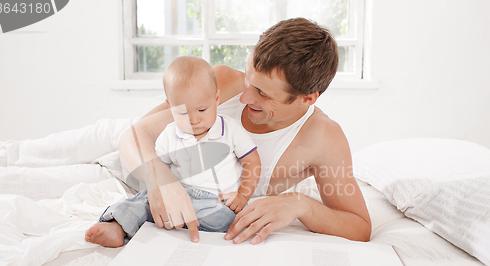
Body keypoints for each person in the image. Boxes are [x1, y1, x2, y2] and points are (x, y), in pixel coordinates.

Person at [117, 17, 371, 245]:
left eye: (262, 93)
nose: (245, 96)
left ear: (307, 99)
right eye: (249, 80)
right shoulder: (224, 81)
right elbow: (134, 135)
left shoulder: (323, 137)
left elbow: (359, 227)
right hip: (157, 155)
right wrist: (162, 183)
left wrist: (301, 204)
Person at [85, 56, 261, 247]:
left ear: (216, 99)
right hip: (179, 193)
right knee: (142, 201)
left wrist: (243, 195)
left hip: (216, 201)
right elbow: (159, 169)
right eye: (184, 113)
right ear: (170, 106)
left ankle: (179, 227)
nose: (194, 120)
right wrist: (159, 192)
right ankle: (117, 225)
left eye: (202, 110)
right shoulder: (170, 133)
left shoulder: (231, 129)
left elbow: (252, 162)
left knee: (225, 217)